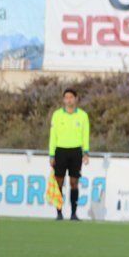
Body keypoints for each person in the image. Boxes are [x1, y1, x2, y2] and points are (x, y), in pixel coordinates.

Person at [49, 88, 90, 221]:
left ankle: (73, 213)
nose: (68, 100)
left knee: (74, 182)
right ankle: (59, 213)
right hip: (60, 151)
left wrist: (86, 152)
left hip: (76, 151)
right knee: (59, 182)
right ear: (63, 100)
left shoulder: (83, 116)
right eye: (66, 97)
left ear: (76, 98)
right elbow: (53, 136)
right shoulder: (57, 115)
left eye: (71, 97)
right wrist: (51, 154)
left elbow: (85, 135)